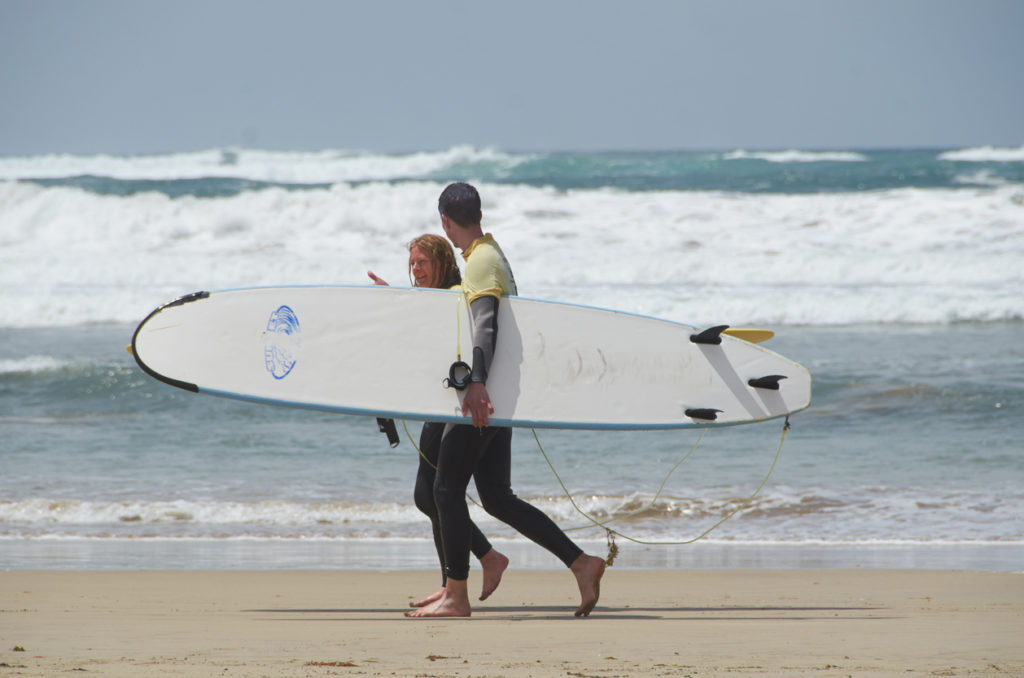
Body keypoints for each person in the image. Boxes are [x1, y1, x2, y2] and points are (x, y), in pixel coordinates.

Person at [408, 182, 606, 618]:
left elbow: (486, 325)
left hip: (483, 398)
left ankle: (456, 597)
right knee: (495, 496)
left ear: (445, 220)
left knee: (445, 489)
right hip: (497, 395)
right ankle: (582, 563)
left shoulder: (481, 262)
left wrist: (477, 383)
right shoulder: (489, 255)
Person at [368, 234, 509, 608]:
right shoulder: (430, 299)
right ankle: (460, 576)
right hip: (438, 405)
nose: (417, 269)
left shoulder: (456, 297)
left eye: (423, 262)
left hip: (457, 405)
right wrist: (395, 299)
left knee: (440, 494)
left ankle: (462, 578)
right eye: (413, 263)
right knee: (429, 495)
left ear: (443, 263)